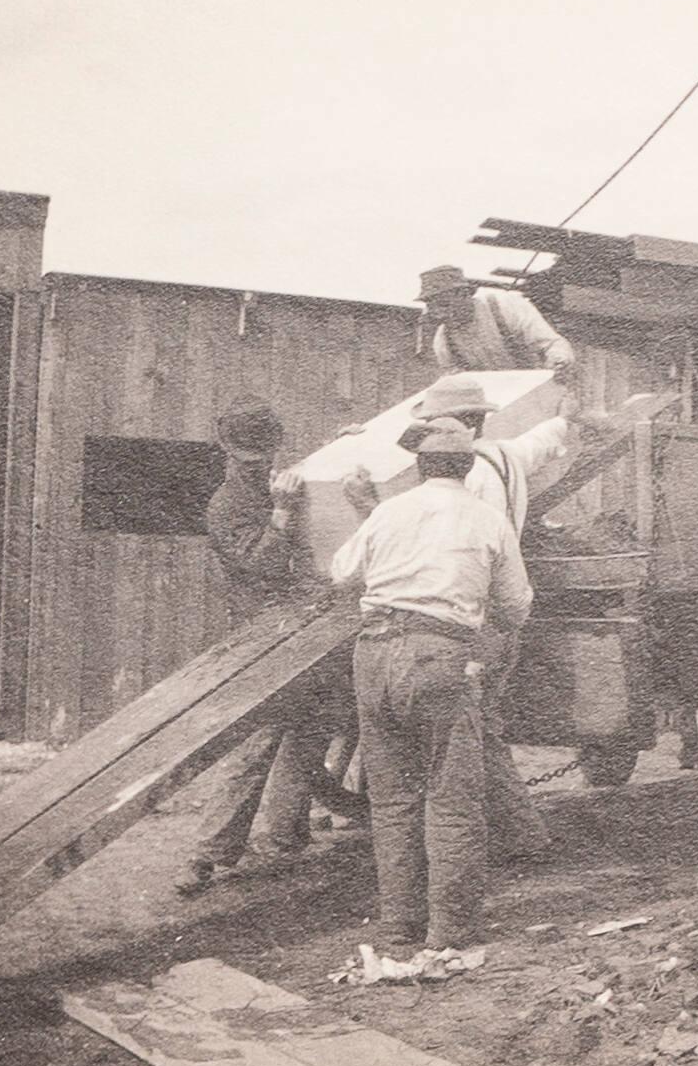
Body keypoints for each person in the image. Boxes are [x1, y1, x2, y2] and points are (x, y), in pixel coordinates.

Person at [331, 417, 533, 951]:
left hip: (372, 654)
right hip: (440, 657)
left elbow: (341, 572)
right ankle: (450, 930)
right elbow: (516, 604)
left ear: (421, 465)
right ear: (468, 467)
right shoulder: (488, 519)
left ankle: (398, 925)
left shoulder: (389, 512)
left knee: (393, 798)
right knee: (452, 797)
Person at [175, 397, 358, 896]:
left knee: (312, 730)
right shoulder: (226, 505)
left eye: (265, 452)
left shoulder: (287, 477)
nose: (258, 463)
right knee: (258, 744)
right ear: (228, 450)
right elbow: (260, 565)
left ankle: (284, 834)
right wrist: (280, 514)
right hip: (267, 633)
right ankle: (208, 853)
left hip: (315, 624)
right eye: (248, 457)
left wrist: (350, 448)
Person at [417, 265, 575, 375]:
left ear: (464, 295)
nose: (439, 314)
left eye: (444, 305)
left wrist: (558, 360)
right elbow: (452, 377)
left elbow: (552, 344)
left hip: (533, 390)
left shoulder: (505, 307)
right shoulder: (444, 339)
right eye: (433, 308)